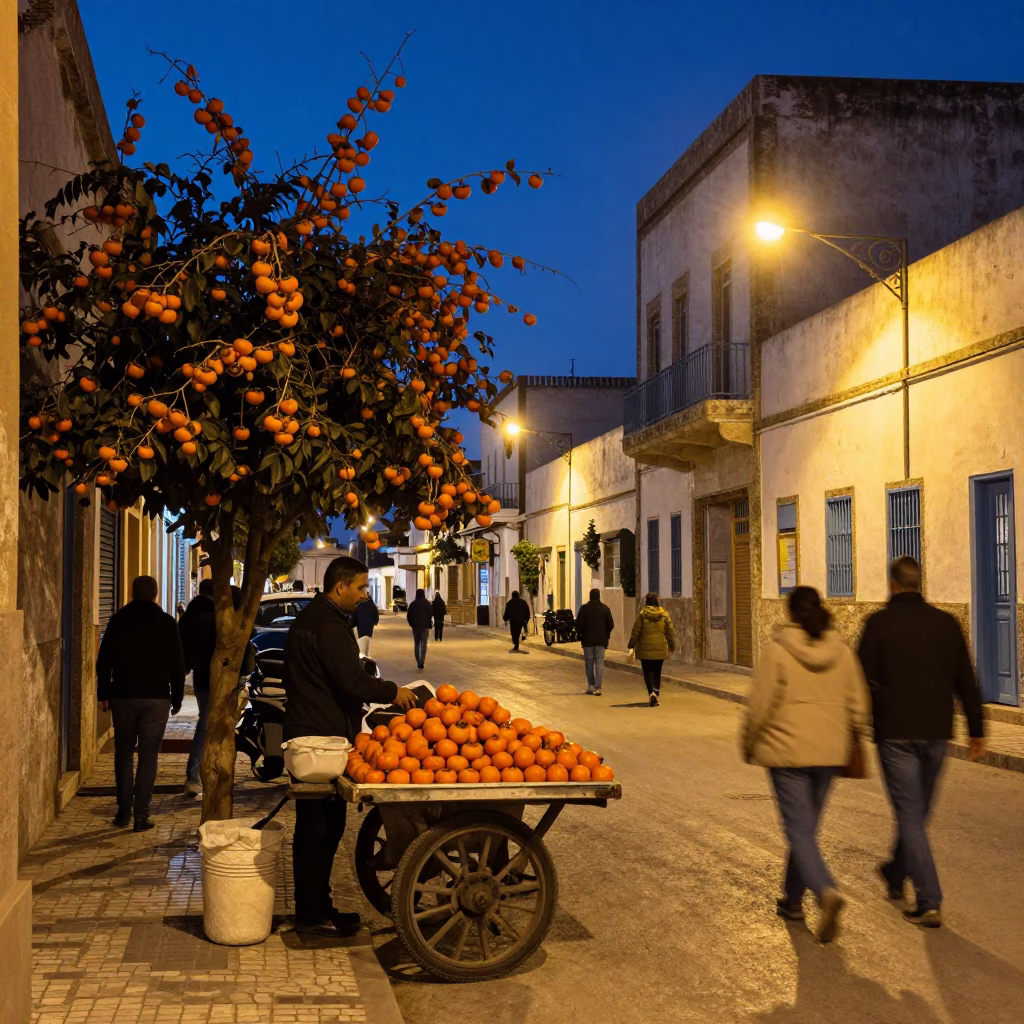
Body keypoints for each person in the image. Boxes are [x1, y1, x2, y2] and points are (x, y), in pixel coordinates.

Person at [283, 556, 416, 937]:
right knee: (319, 829)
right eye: (359, 588)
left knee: (319, 828)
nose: (363, 595)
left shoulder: (317, 619)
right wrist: (394, 692)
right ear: (339, 587)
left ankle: (317, 906)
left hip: (315, 732)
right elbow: (352, 681)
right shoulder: (327, 625)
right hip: (318, 738)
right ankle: (311, 913)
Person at [858, 556, 985, 929]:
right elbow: (966, 678)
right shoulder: (946, 624)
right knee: (917, 813)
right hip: (936, 732)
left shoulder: (878, 624)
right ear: (919, 583)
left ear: (893, 584)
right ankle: (896, 873)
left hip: (895, 733)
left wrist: (857, 719)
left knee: (911, 814)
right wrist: (977, 730)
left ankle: (929, 899)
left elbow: (860, 676)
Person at [742, 586, 869, 943]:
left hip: (787, 754)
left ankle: (825, 891)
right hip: (829, 754)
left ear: (791, 614)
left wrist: (749, 743)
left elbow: (761, 705)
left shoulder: (779, 652)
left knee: (798, 831)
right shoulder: (842, 652)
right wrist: (847, 735)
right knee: (806, 830)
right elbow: (859, 706)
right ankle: (792, 900)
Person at [96, 575, 185, 832]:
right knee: (149, 756)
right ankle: (141, 816)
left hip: (123, 695)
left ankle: (123, 812)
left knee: (123, 753)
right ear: (156, 594)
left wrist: (104, 693)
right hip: (156, 697)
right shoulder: (167, 622)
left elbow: (104, 661)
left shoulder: (118, 620)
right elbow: (178, 665)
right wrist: (177, 697)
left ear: (132, 593)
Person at [178, 578, 216, 798]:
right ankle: (194, 776)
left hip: (200, 679)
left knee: (205, 722)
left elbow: (181, 645)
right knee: (205, 725)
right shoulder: (215, 616)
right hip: (214, 678)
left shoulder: (190, 615)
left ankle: (199, 774)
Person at [627, 593, 677, 706]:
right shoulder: (664, 615)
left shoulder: (642, 615)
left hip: (644, 648)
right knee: (657, 670)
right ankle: (656, 691)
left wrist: (631, 645)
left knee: (647, 671)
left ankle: (651, 693)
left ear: (646, 602)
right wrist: (672, 645)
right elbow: (670, 632)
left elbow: (635, 632)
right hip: (660, 647)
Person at [576, 589, 614, 696]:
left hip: (587, 640)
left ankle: (591, 685)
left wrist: (579, 634)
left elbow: (579, 625)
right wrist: (606, 633)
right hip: (601, 641)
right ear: (599, 596)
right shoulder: (605, 609)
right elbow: (611, 625)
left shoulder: (584, 609)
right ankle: (598, 687)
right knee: (599, 663)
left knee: (589, 663)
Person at [406, 588, 433, 669]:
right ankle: (422, 661)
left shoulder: (413, 604)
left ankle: (418, 660)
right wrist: (428, 622)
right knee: (424, 644)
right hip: (425, 627)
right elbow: (431, 614)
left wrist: (412, 624)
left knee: (417, 644)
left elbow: (408, 616)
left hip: (416, 627)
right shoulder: (427, 604)